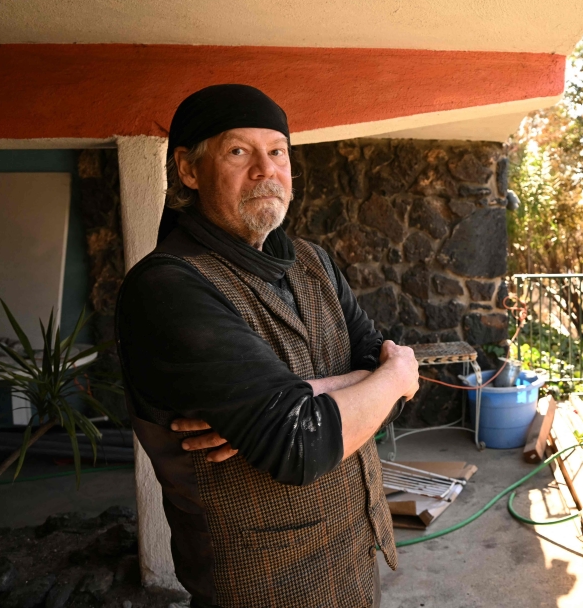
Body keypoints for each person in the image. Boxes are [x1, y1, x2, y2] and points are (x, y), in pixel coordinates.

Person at [115, 84, 419, 608]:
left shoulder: (312, 261)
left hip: (351, 555)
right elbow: (299, 446)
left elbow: (378, 371)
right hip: (260, 583)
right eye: (239, 152)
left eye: (277, 152)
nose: (265, 170)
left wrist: (312, 395)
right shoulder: (167, 288)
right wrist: (392, 379)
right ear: (189, 170)